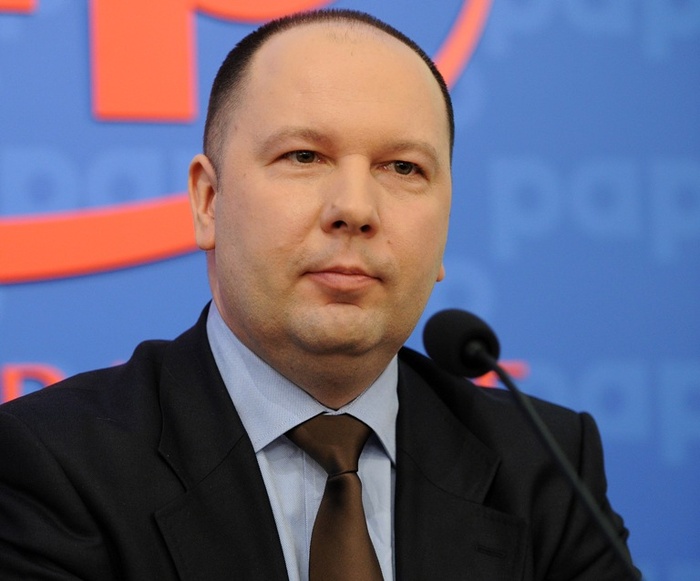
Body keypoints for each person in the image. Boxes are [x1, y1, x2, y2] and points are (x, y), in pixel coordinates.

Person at [0, 9, 639, 580]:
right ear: (208, 202)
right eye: (305, 156)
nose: (355, 208)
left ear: (446, 224)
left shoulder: (545, 465)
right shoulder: (52, 463)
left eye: (403, 168)